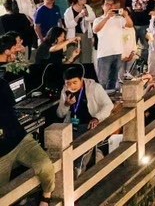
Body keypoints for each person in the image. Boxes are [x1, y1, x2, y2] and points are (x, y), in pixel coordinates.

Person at [0, 33, 56, 206]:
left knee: (45, 165)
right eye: (15, 47)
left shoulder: (4, 79)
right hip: (2, 151)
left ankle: (46, 197)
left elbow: (12, 102)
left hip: (20, 138)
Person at [56, 64, 113, 172]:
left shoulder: (94, 87)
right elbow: (60, 114)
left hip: (89, 125)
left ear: (81, 80)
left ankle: (78, 171)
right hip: (72, 126)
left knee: (82, 151)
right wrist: (66, 105)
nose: (72, 86)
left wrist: (97, 118)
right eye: (68, 83)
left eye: (75, 82)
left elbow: (108, 105)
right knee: (62, 151)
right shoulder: (65, 90)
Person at [93, 0, 133, 91]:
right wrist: (107, 18)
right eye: (107, 4)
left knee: (113, 79)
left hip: (117, 52)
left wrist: (126, 15)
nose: (110, 6)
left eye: (112, 4)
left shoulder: (119, 19)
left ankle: (111, 96)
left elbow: (130, 25)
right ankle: (102, 97)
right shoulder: (98, 19)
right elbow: (95, 30)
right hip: (104, 53)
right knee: (103, 80)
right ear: (102, 7)